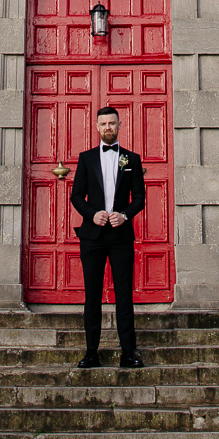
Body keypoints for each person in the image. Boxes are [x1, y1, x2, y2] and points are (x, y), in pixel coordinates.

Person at [69, 105, 145, 369]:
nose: (108, 128)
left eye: (112, 123)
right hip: (93, 237)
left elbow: (140, 199)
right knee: (92, 294)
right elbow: (76, 196)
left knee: (124, 294)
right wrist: (92, 215)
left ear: (119, 125)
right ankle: (91, 352)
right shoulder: (86, 158)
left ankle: (128, 352)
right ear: (97, 127)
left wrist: (124, 215)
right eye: (103, 124)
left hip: (121, 236)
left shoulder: (131, 159)